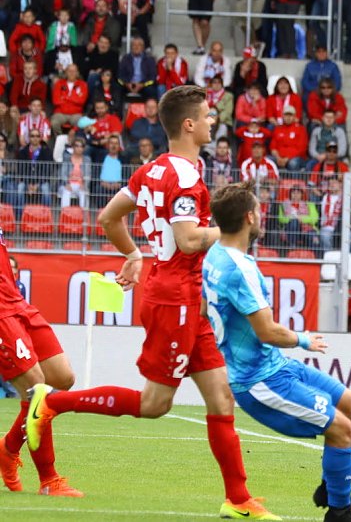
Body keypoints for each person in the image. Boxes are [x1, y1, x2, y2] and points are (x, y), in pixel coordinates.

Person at [24, 86, 280, 519]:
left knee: (221, 398)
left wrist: (134, 254)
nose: (213, 121)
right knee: (154, 404)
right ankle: (51, 403)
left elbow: (108, 218)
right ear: (189, 124)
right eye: (207, 116)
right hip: (175, 296)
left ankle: (238, 499)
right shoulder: (185, 177)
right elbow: (189, 239)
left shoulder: (150, 171)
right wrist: (234, 232)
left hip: (183, 294)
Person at [202, 181, 351, 521]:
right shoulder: (239, 269)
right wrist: (304, 340)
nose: (261, 213)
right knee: (340, 428)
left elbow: (206, 308)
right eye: (258, 208)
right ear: (250, 217)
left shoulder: (215, 255)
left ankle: (332, 488)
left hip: (274, 366)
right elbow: (267, 331)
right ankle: (339, 512)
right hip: (259, 381)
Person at [0, 235, 82, 497]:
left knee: (62, 377)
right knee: (36, 389)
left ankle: (8, 447)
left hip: (15, 301)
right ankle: (49, 480)